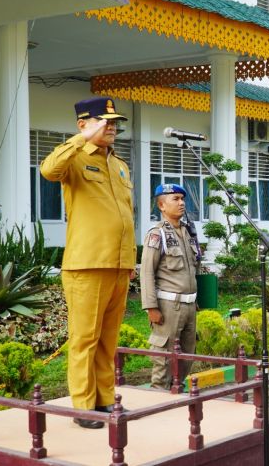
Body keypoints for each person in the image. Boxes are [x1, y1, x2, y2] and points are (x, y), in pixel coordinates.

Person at [40, 96, 135, 429]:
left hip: (119, 264)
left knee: (108, 339)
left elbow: (125, 215)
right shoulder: (75, 159)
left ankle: (105, 400)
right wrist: (82, 138)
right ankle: (83, 406)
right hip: (87, 264)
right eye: (104, 122)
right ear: (84, 124)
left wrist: (130, 261)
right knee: (84, 339)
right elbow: (48, 170)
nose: (112, 128)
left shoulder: (119, 165)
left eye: (114, 123)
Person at [141, 184, 203, 390]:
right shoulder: (157, 234)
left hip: (189, 305)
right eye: (175, 199)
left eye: (182, 199)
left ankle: (176, 391)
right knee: (164, 358)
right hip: (169, 306)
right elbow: (147, 271)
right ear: (161, 205)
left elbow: (193, 269)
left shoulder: (187, 232)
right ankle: (158, 397)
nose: (181, 203)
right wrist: (151, 307)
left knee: (187, 354)